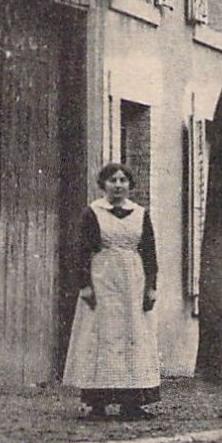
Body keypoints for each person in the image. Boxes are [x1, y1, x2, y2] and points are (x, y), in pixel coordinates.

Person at [63, 163, 160, 420]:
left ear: (130, 185)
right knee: (101, 335)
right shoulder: (93, 212)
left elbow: (149, 252)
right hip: (103, 279)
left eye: (123, 180)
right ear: (103, 184)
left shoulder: (140, 214)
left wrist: (151, 287)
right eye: (112, 180)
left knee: (133, 334)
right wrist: (84, 285)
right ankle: (97, 403)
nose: (118, 185)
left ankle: (133, 403)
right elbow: (82, 251)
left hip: (133, 281)